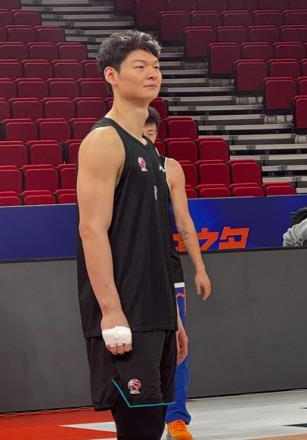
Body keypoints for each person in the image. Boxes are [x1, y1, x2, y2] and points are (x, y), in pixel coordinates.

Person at [77, 30, 188, 440]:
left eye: (156, 66)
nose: (152, 74)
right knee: (138, 428)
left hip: (157, 312)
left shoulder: (150, 150)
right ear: (111, 75)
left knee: (153, 425)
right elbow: (91, 230)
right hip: (126, 312)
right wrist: (110, 311)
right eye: (139, 66)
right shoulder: (104, 141)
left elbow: (157, 242)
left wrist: (174, 318)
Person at [144, 107, 212, 440]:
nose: (147, 137)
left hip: (169, 270)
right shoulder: (117, 165)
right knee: (141, 348)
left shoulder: (170, 168)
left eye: (152, 132)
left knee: (177, 347)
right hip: (133, 270)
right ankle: (142, 419)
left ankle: (176, 419)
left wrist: (200, 268)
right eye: (142, 131)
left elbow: (184, 222)